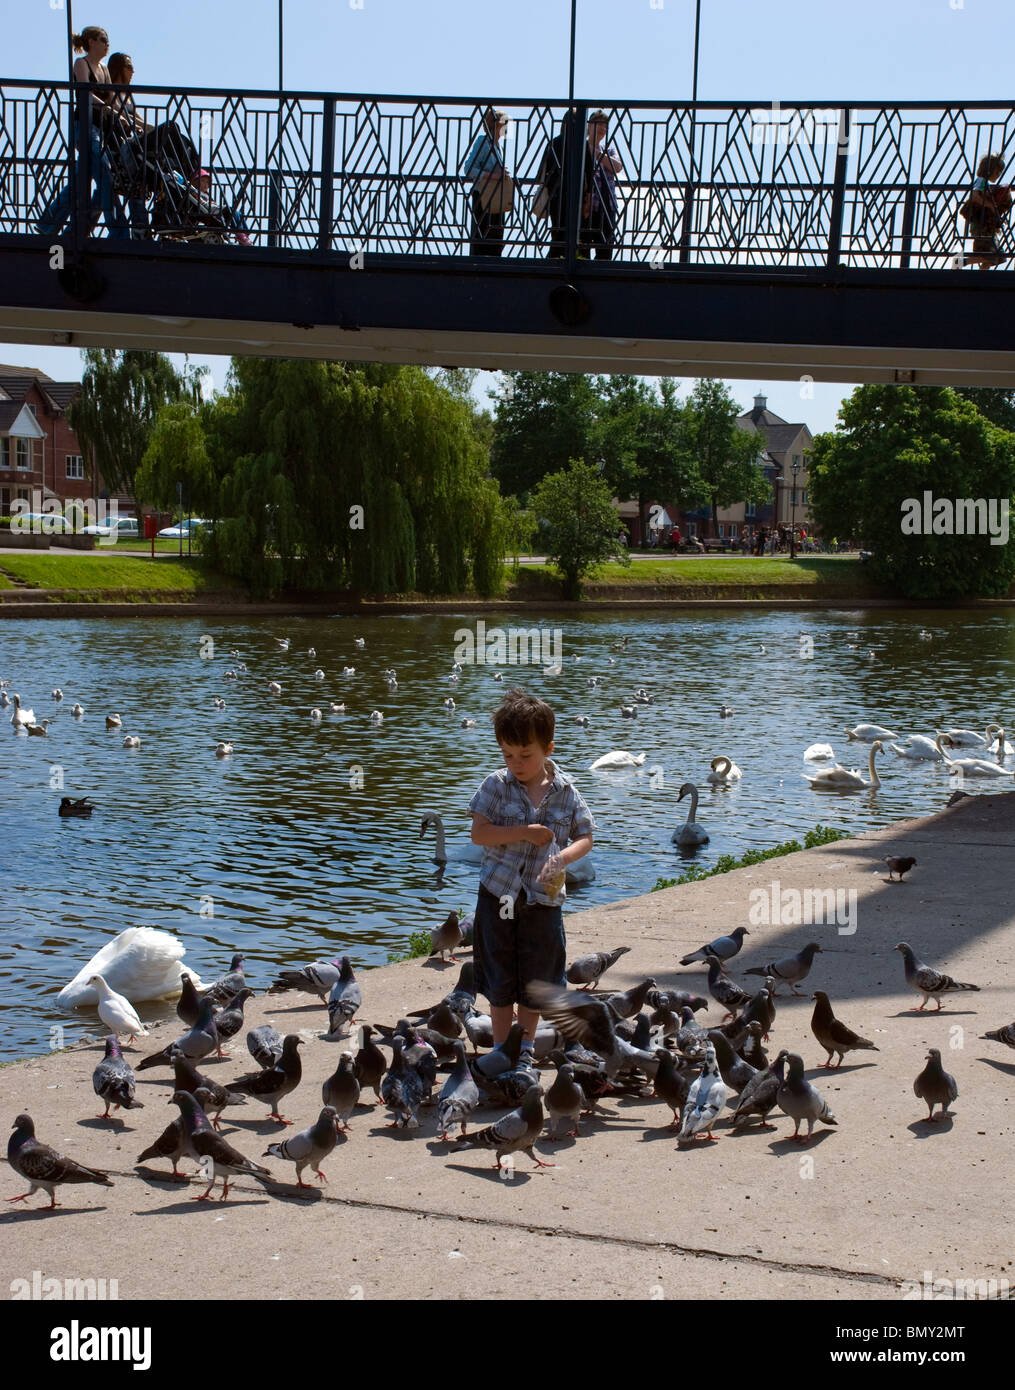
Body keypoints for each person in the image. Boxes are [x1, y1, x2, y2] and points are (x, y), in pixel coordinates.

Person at [468, 688, 596, 1054]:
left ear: (548, 749)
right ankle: (499, 1048)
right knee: (499, 972)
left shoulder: (565, 791)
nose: (516, 763)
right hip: (499, 895)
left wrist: (562, 859)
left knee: (538, 975)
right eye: (508, 754)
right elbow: (479, 834)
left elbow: (586, 836)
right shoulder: (495, 785)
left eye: (525, 755)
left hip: (543, 898)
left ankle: (523, 1049)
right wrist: (523, 832)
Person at [36, 26, 129, 239]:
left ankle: (49, 223)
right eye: (103, 39)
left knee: (82, 178)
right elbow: (84, 94)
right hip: (85, 128)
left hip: (100, 129)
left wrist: (126, 118)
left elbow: (112, 100)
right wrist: (107, 108)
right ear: (91, 42)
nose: (107, 44)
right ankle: (119, 231)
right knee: (105, 175)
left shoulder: (104, 69)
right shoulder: (81, 64)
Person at [462, 106, 510, 257]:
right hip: (483, 196)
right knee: (483, 236)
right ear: (496, 125)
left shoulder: (497, 146)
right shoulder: (484, 142)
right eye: (505, 123)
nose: (507, 127)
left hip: (496, 198)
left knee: (496, 236)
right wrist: (493, 175)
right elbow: (468, 168)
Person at [579, 110, 623, 261]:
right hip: (586, 204)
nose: (602, 128)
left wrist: (598, 154)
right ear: (589, 126)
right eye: (599, 124)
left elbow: (617, 167)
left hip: (606, 204)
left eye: (605, 125)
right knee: (582, 246)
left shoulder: (608, 149)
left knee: (605, 248)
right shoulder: (581, 148)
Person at [962, 154, 1011, 270]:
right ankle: (960, 261)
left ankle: (980, 276)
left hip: (985, 226)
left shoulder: (985, 183)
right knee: (991, 254)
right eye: (997, 172)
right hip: (981, 226)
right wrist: (990, 206)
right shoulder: (981, 181)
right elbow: (974, 195)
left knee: (998, 256)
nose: (998, 175)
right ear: (990, 170)